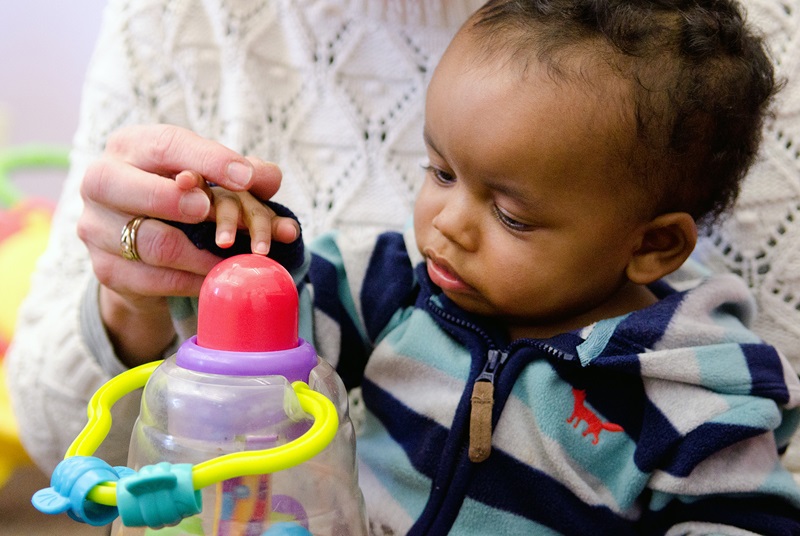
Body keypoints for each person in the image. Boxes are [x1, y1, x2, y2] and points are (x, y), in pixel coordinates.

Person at [5, 0, 800, 533]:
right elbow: (263, 330)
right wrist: (223, 238)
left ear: (653, 245)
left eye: (511, 215)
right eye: (440, 171)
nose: (446, 224)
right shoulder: (389, 294)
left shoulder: (689, 395)